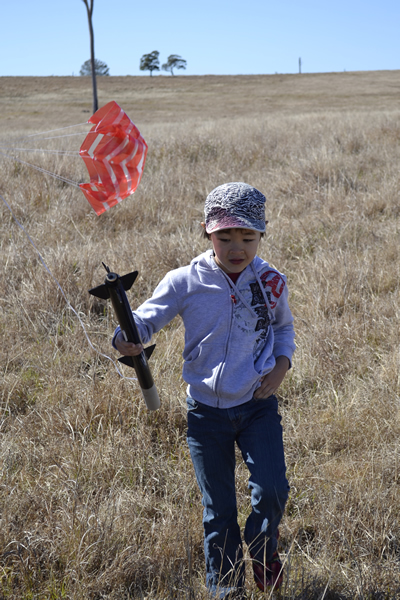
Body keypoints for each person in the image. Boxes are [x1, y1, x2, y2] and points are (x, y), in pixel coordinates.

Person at [113, 182, 295, 598]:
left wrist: (281, 367)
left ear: (261, 235)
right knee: (219, 513)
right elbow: (143, 321)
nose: (236, 247)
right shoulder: (184, 281)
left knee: (272, 490)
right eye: (225, 236)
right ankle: (226, 590)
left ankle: (264, 552)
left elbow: (284, 330)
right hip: (205, 415)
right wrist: (125, 338)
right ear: (206, 232)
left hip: (257, 405)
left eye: (247, 237)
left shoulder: (270, 282)